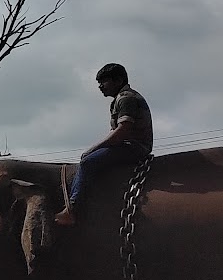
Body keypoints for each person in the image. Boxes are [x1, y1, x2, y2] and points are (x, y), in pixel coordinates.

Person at [55, 64, 152, 226]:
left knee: (87, 162)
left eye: (104, 82)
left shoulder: (126, 98)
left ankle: (72, 210)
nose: (100, 86)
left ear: (118, 80)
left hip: (134, 147)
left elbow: (123, 131)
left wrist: (94, 148)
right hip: (128, 145)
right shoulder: (118, 100)